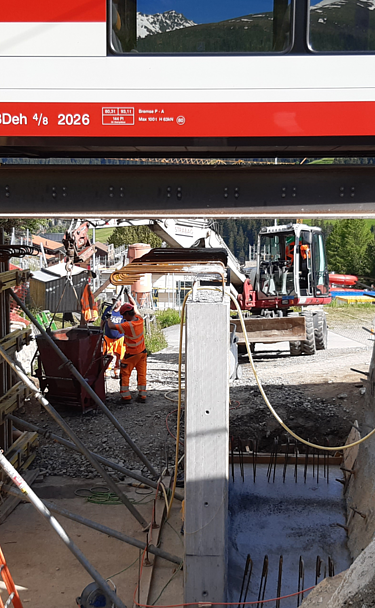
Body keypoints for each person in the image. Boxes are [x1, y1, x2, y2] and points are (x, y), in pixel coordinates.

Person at [107, 293, 147, 404]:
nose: (123, 318)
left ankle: (126, 397)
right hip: (142, 353)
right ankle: (142, 395)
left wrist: (108, 318)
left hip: (132, 354)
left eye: (123, 316)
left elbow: (111, 326)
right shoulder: (139, 319)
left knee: (124, 373)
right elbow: (134, 306)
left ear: (127, 314)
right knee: (142, 374)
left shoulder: (128, 325)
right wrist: (128, 295)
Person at [101, 298, 125, 379]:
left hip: (120, 338)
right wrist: (100, 331)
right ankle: (107, 370)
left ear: (120, 301)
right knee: (107, 354)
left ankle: (117, 370)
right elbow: (103, 320)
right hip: (108, 337)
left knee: (120, 355)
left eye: (116, 301)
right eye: (113, 301)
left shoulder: (123, 311)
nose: (114, 303)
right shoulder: (108, 309)